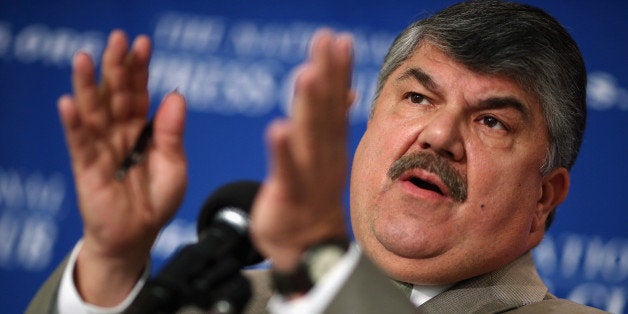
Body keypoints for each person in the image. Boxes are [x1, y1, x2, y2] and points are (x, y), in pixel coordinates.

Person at [27, 1, 607, 313]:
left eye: (490, 121)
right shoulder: (223, 304)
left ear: (543, 197)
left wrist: (324, 267)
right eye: (417, 97)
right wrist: (109, 263)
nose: (436, 136)